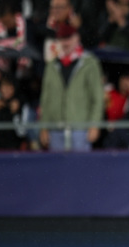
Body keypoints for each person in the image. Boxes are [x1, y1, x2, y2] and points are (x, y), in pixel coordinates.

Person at [39, 22, 104, 151]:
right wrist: (44, 127)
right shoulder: (52, 65)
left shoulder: (89, 63)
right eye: (62, 38)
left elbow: (97, 97)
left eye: (68, 38)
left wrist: (94, 125)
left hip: (80, 128)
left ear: (77, 37)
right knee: (57, 169)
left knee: (81, 168)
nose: (65, 42)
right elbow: (45, 99)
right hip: (55, 128)